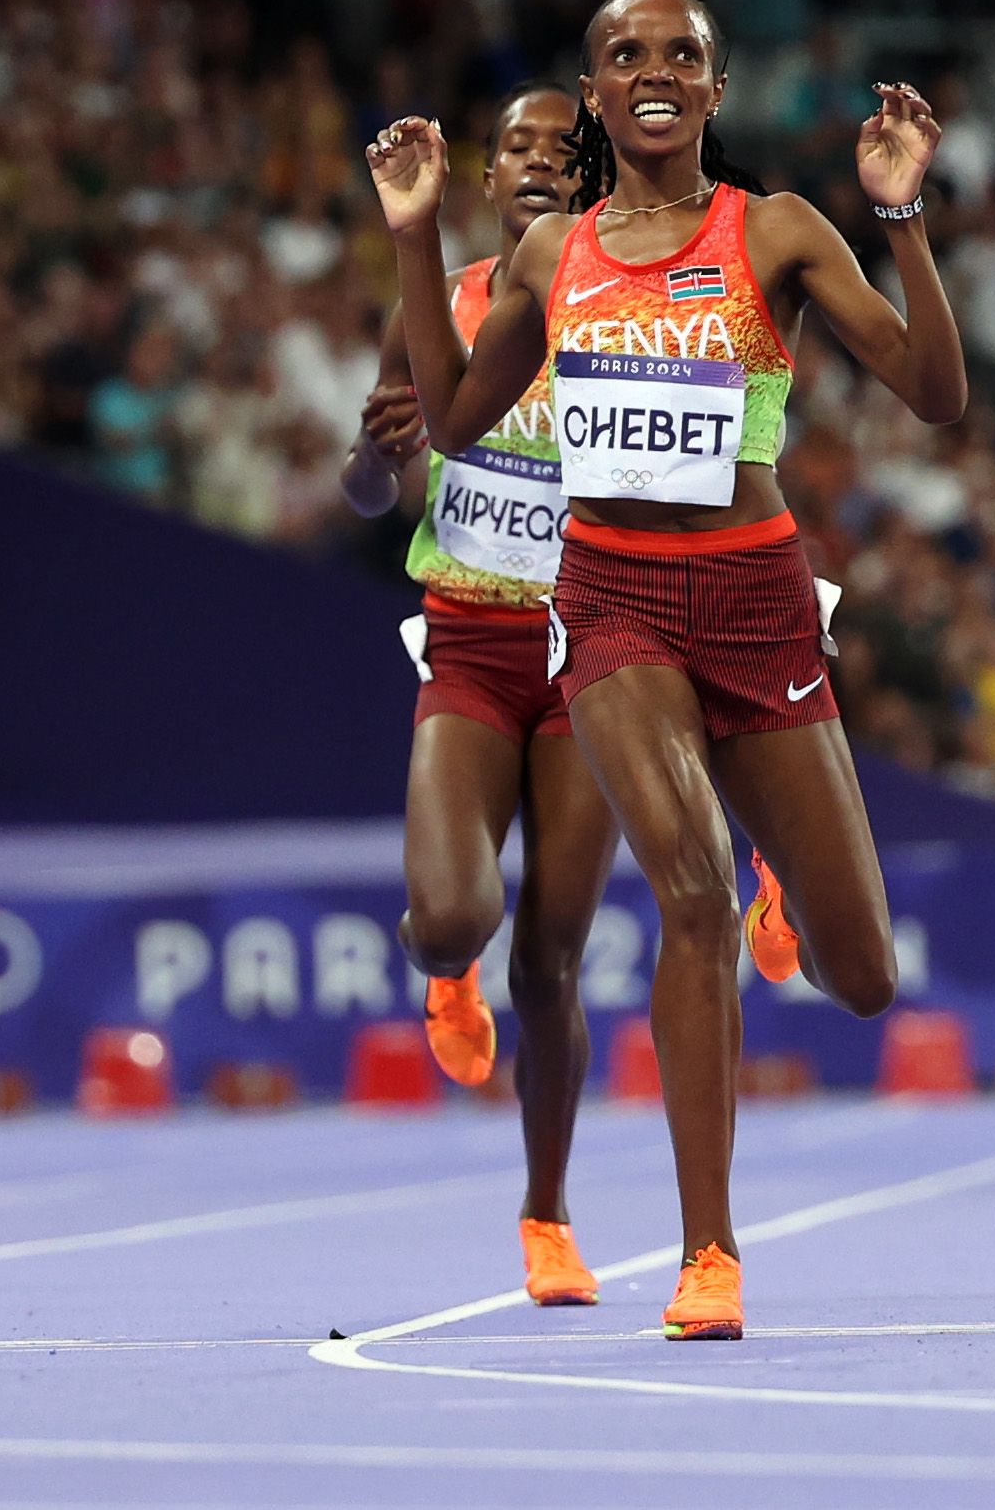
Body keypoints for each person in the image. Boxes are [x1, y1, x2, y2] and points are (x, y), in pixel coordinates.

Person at [370, 0, 963, 1343]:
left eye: (681, 53)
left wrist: (903, 217)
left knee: (862, 970)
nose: (654, 71)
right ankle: (710, 1254)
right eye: (625, 54)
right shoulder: (550, 255)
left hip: (756, 597)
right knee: (683, 890)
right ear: (594, 94)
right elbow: (458, 423)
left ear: (714, 86)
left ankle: (786, 885)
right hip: (613, 600)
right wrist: (413, 236)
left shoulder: (777, 229)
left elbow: (935, 393)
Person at [340, 80, 621, 1310]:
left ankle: (547, 1216)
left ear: (593, 178)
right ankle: (446, 976)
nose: (542, 161)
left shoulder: (628, 309)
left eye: (567, 148)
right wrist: (374, 452)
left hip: (591, 650)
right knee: (455, 918)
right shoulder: (444, 299)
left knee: (553, 958)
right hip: (466, 642)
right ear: (490, 179)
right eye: (518, 146)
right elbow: (363, 496)